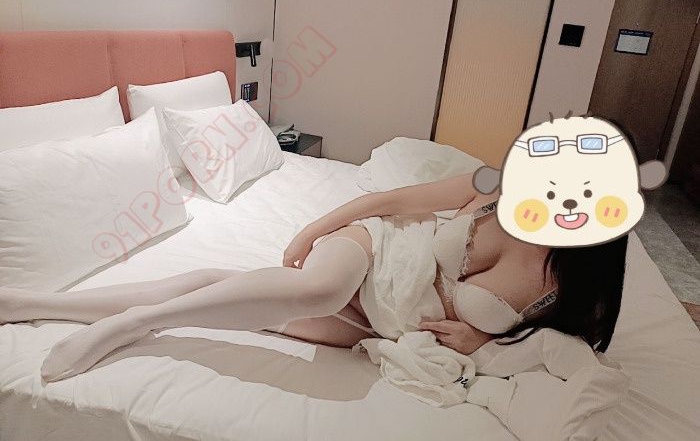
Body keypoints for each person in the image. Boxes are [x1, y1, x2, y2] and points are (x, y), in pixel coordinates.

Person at [0, 172, 626, 382]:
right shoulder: (497, 187)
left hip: (383, 322)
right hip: (374, 252)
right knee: (317, 288)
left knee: (224, 294)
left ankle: (28, 302)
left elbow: (567, 347)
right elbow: (391, 200)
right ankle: (136, 323)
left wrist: (486, 338)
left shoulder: (578, 285)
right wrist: (312, 230)